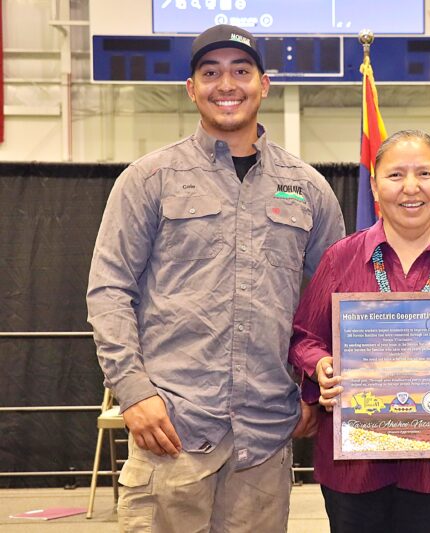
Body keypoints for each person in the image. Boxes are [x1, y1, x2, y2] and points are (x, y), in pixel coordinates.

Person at [86, 24, 345, 532]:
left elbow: (330, 305)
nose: (227, 84)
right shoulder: (149, 180)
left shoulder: (309, 189)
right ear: (191, 88)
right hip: (171, 434)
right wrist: (134, 392)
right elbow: (109, 290)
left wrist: (311, 393)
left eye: (241, 71)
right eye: (210, 73)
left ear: (264, 84)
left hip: (265, 440)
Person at [289, 130, 430, 533]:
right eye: (395, 175)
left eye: (425, 174)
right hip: (354, 470)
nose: (411, 187)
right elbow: (304, 337)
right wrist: (320, 366)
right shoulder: (340, 259)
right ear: (374, 186)